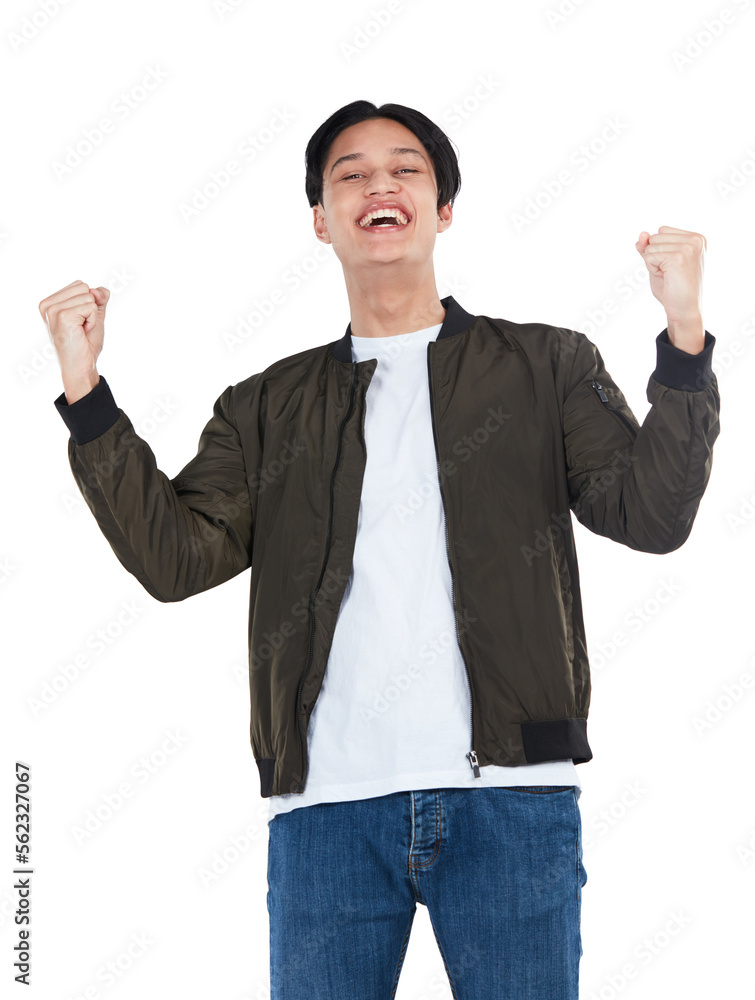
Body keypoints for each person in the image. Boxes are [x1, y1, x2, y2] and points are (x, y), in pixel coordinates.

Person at [40, 100, 720, 999]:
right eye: (350, 175)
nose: (378, 186)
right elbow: (176, 561)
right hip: (326, 811)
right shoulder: (265, 404)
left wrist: (682, 340)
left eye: (405, 169)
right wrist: (86, 393)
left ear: (442, 208)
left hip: (511, 799)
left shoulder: (545, 364)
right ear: (321, 221)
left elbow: (649, 515)